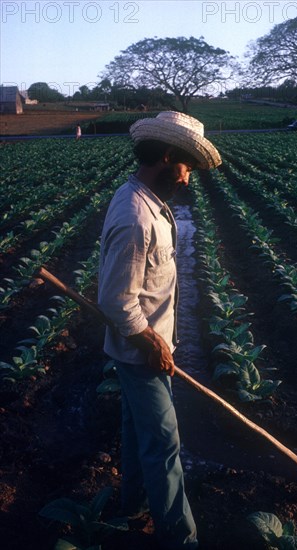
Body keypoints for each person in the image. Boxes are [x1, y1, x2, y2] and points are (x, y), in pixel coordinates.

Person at [98, 111, 221, 549]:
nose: (187, 179)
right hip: (140, 355)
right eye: (186, 167)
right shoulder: (137, 216)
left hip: (145, 350)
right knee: (166, 444)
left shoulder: (146, 199)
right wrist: (152, 342)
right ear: (168, 156)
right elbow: (116, 299)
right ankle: (179, 537)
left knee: (137, 434)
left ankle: (131, 504)